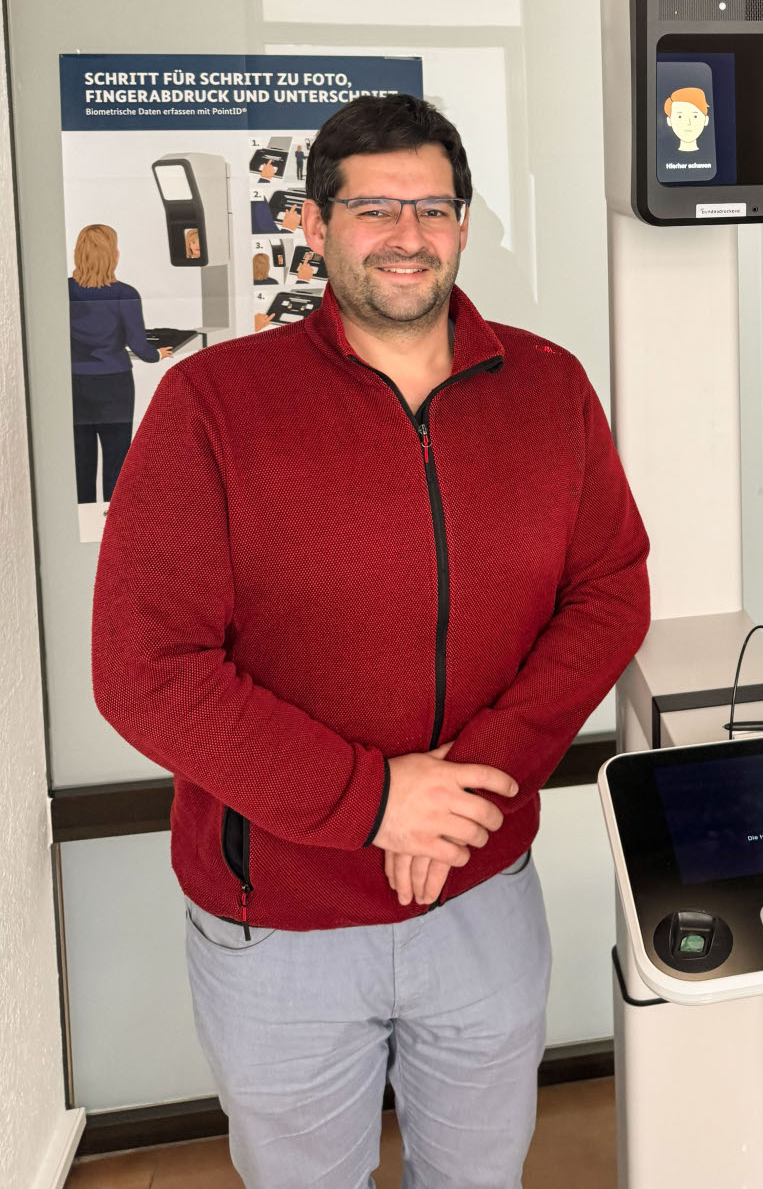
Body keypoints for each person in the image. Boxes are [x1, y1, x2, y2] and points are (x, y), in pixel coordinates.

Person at [93, 93, 650, 1189]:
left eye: (433, 207)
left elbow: (608, 590)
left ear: (463, 221)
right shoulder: (214, 404)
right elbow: (146, 671)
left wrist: (465, 791)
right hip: (279, 920)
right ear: (313, 224)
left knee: (481, 1177)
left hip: (484, 895)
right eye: (374, 208)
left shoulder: (548, 387)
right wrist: (374, 800)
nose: (407, 236)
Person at [69, 223, 172, 504]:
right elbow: (139, 345)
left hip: (75, 384)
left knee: (81, 460)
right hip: (114, 385)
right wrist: (157, 354)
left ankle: (86, 518)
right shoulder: (124, 294)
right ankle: (111, 522)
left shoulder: (64, 291)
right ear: (112, 255)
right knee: (117, 459)